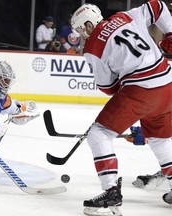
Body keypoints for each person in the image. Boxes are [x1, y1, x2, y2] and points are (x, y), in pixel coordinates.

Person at [71, 1, 172, 215]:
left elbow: (108, 87)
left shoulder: (93, 47)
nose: (83, 35)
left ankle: (110, 192)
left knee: (99, 134)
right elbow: (159, 6)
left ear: (88, 25)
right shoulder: (125, 16)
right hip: (167, 85)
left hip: (141, 90)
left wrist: (121, 79)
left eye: (81, 30)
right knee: (160, 139)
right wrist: (171, 33)